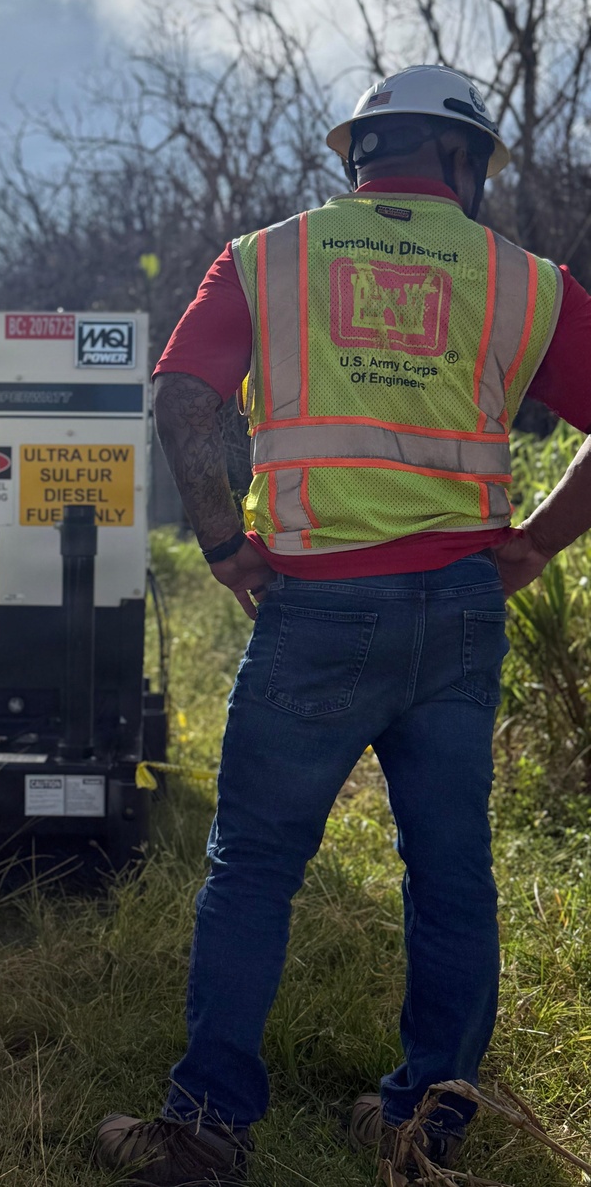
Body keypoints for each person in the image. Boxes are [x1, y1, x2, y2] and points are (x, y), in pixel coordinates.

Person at [94, 65, 591, 1186]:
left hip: (314, 607)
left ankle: (207, 1126)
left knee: (255, 863)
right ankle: (426, 1128)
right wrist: (538, 542)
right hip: (461, 607)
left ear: (357, 156)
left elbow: (180, 398)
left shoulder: (269, 256)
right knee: (451, 871)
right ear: (459, 161)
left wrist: (226, 548)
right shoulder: (524, 281)